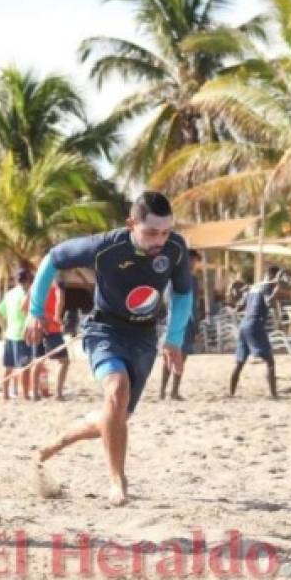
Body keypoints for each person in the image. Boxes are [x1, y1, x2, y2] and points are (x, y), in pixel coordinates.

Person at [26, 191, 193, 506]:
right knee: (116, 389)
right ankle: (117, 481)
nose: (160, 239)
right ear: (132, 224)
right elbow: (53, 258)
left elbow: (183, 294)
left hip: (144, 336)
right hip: (105, 329)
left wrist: (174, 338)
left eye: (166, 231)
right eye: (151, 232)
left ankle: (55, 443)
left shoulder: (175, 248)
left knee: (115, 415)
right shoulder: (105, 246)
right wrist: (37, 312)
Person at [229, 265, 283, 399]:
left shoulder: (254, 287)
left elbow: (239, 307)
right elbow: (268, 301)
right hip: (255, 324)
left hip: (244, 325)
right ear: (273, 276)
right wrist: (278, 289)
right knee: (270, 361)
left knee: (240, 363)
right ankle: (274, 394)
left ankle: (231, 393)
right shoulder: (266, 287)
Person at [160, 249, 202, 400]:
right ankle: (165, 391)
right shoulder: (176, 279)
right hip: (177, 321)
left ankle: (172, 391)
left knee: (181, 357)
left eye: (195, 261)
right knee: (170, 357)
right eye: (191, 260)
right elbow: (170, 301)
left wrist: (196, 327)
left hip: (183, 322)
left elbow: (193, 305)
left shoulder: (189, 279)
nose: (193, 263)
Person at [0, 269, 35, 400]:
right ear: (28, 280)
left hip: (10, 334)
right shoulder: (28, 293)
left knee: (9, 366)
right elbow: (27, 308)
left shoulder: (10, 294)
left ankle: (6, 394)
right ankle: (26, 395)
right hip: (22, 334)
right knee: (25, 366)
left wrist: (4, 327)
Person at [32, 279, 70, 400]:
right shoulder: (56, 283)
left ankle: (35, 394)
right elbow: (60, 300)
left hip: (36, 326)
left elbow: (26, 304)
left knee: (37, 361)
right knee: (64, 361)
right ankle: (58, 394)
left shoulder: (36, 285)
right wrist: (57, 316)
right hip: (52, 327)